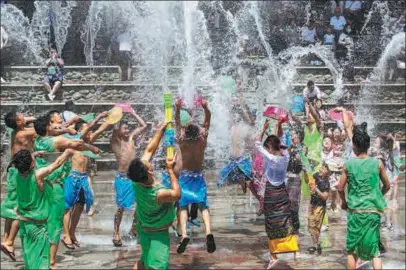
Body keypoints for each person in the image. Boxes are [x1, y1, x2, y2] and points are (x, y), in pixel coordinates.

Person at [33, 114, 100, 269]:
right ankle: (51, 262)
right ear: (48, 127)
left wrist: (66, 128)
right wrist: (92, 148)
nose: (54, 126)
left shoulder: (37, 140)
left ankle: (41, 256)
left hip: (40, 182)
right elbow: (76, 144)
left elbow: (58, 133)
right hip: (54, 186)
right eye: (51, 124)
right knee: (55, 223)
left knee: (42, 220)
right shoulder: (56, 141)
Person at [337, 123, 390, 270]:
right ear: (367, 145)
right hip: (373, 212)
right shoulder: (377, 163)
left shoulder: (348, 165)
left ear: (354, 146)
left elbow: (340, 187)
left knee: (352, 251)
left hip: (355, 213)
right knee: (375, 251)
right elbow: (387, 185)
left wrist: (344, 202)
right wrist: (378, 195)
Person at [128, 121, 180, 270]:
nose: (146, 160)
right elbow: (176, 195)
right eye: (145, 163)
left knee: (143, 262)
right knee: (157, 266)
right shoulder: (158, 193)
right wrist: (170, 170)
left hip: (143, 229)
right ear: (149, 171)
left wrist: (161, 130)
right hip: (157, 234)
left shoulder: (137, 181)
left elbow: (149, 150)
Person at [12, 149, 74, 269]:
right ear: (32, 164)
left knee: (30, 260)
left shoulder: (16, 172)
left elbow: (18, 162)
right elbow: (55, 165)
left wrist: (33, 155)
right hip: (37, 228)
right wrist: (66, 153)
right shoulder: (37, 175)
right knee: (41, 263)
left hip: (24, 224)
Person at [62, 111, 110, 249]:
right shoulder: (78, 139)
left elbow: (101, 128)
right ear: (79, 131)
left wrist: (113, 117)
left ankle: (72, 233)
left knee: (80, 206)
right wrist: (100, 116)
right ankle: (65, 235)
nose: (89, 132)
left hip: (83, 178)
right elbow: (91, 126)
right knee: (67, 208)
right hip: (73, 177)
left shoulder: (89, 141)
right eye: (85, 129)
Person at [174, 98, 216, 254]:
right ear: (198, 133)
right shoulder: (202, 141)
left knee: (183, 207)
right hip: (198, 178)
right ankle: (208, 232)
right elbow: (207, 121)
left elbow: (177, 122)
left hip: (184, 178)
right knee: (203, 206)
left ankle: (184, 234)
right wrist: (205, 107)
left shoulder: (182, 141)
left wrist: (177, 108)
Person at [256, 120, 298, 269]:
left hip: (271, 194)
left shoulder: (271, 158)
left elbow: (257, 144)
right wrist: (279, 126)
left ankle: (273, 256)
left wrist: (263, 129)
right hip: (282, 193)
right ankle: (290, 247)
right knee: (285, 220)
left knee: (271, 223)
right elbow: (279, 142)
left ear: (270, 148)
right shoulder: (285, 156)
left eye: (268, 147)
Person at [111, 109, 147, 246]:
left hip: (134, 178)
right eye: (124, 128)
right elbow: (114, 129)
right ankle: (116, 232)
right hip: (122, 179)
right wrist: (118, 112)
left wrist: (133, 113)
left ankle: (133, 228)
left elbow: (143, 126)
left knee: (140, 205)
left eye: (128, 128)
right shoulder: (116, 142)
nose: (127, 130)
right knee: (121, 207)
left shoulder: (132, 139)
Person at [306, 162, 331, 255]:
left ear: (328, 173)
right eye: (321, 167)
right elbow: (308, 181)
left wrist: (315, 189)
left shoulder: (326, 183)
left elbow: (325, 197)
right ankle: (316, 244)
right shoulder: (316, 175)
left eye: (324, 169)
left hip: (320, 206)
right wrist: (306, 174)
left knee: (315, 225)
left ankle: (315, 245)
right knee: (310, 224)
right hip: (312, 204)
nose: (320, 170)